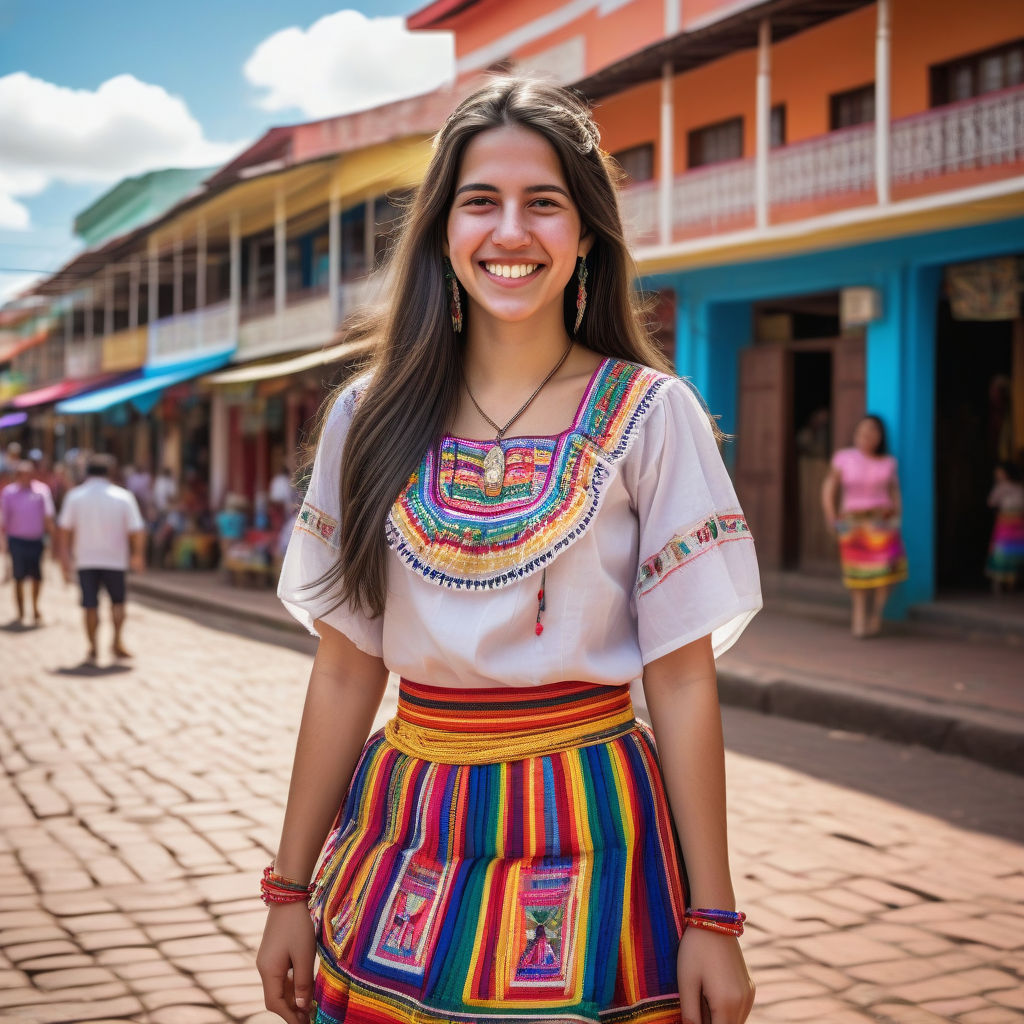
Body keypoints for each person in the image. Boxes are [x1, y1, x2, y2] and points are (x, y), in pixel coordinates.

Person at [259, 78, 762, 1024]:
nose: (511, 232)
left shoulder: (652, 417)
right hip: (407, 827)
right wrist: (289, 890)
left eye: (545, 203)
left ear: (586, 235)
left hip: (598, 824)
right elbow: (343, 670)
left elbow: (685, 681)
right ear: (444, 231)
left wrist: (714, 917)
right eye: (480, 201)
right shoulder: (366, 420)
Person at [822, 414, 907, 637]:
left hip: (883, 523)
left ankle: (876, 617)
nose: (868, 436)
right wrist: (832, 518)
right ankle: (859, 618)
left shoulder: (888, 462)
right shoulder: (843, 458)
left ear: (880, 437)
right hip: (853, 524)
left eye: (873, 432)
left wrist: (898, 518)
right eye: (863, 431)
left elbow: (895, 492)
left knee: (886, 574)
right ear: (856, 434)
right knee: (857, 575)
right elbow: (829, 488)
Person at [58, 454, 146, 663]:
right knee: (118, 603)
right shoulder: (123, 496)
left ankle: (92, 647)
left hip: (86, 559)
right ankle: (116, 641)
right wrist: (137, 555)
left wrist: (64, 558)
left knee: (90, 605)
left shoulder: (75, 496)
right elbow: (137, 530)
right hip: (115, 559)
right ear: (111, 472)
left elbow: (64, 530)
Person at [0, 459, 55, 624]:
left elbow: (48, 516)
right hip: (16, 540)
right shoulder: (9, 492)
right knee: (19, 576)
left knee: (37, 576)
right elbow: (3, 519)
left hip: (36, 540)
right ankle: (21, 611)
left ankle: (35, 607)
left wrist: (53, 541)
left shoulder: (42, 491)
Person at [985, 461, 1024, 593]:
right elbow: (991, 502)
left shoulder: (1016, 487)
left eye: (1000, 472)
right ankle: (998, 583)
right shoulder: (1002, 487)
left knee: (1015, 551)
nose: (998, 475)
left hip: (1017, 522)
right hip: (1007, 521)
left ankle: (1012, 582)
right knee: (1002, 551)